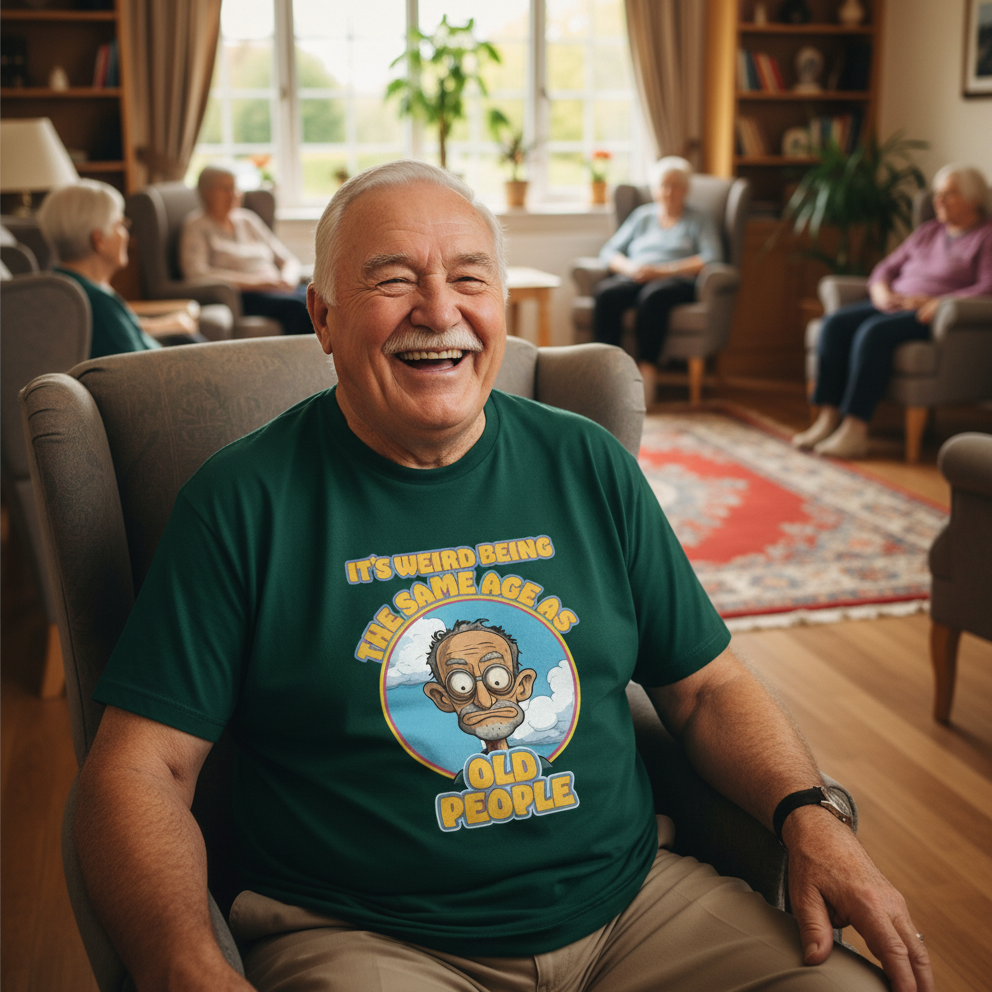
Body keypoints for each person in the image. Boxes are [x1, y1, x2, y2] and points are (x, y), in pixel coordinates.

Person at [74, 161, 933, 992]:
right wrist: (184, 966)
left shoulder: (587, 463)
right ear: (324, 318)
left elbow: (706, 688)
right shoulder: (240, 502)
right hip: (367, 936)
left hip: (637, 906)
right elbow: (140, 771)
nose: (439, 310)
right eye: (393, 281)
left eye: (469, 278)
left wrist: (810, 813)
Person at [794, 163, 992, 458]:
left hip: (928, 314)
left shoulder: (986, 236)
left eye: (948, 194)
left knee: (872, 333)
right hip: (892, 302)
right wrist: (881, 292)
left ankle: (855, 429)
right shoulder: (928, 231)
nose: (938, 200)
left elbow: (988, 286)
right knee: (834, 324)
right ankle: (828, 418)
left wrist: (939, 302)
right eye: (937, 194)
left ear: (974, 199)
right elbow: (886, 267)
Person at [592, 156, 723, 404]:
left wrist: (663, 271)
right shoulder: (642, 216)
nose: (669, 192)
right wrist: (631, 268)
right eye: (664, 185)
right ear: (654, 189)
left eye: (676, 186)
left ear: (686, 189)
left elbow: (711, 257)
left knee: (653, 297)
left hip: (677, 281)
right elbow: (609, 252)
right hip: (637, 276)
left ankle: (647, 371)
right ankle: (607, 370)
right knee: (607, 293)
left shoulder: (699, 218)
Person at [36, 180, 203, 359]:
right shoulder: (99, 305)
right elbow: (136, 369)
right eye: (120, 225)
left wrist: (166, 324)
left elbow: (122, 329)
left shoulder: (59, 286)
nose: (126, 235)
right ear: (98, 240)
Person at [180, 165, 313, 335]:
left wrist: (287, 279)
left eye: (235, 188)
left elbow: (287, 259)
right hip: (243, 296)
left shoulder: (247, 220)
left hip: (278, 287)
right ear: (206, 193)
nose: (233, 194)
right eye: (225, 189)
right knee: (299, 307)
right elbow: (196, 274)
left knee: (318, 299)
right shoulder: (195, 227)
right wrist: (256, 283)